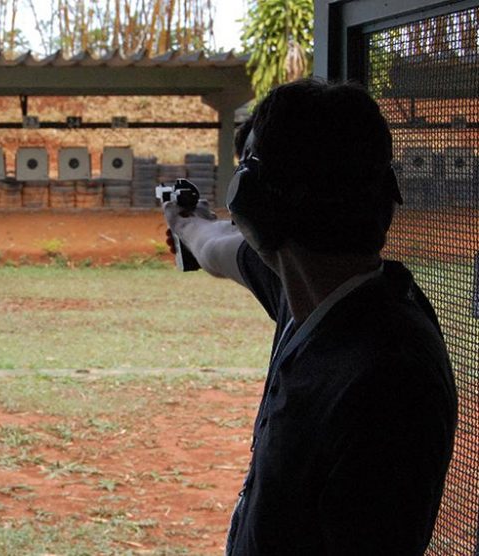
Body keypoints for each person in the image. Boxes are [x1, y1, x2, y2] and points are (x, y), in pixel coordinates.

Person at [164, 79, 457, 555]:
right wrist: (185, 222)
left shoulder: (389, 382)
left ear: (253, 203)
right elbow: (216, 244)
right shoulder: (314, 289)